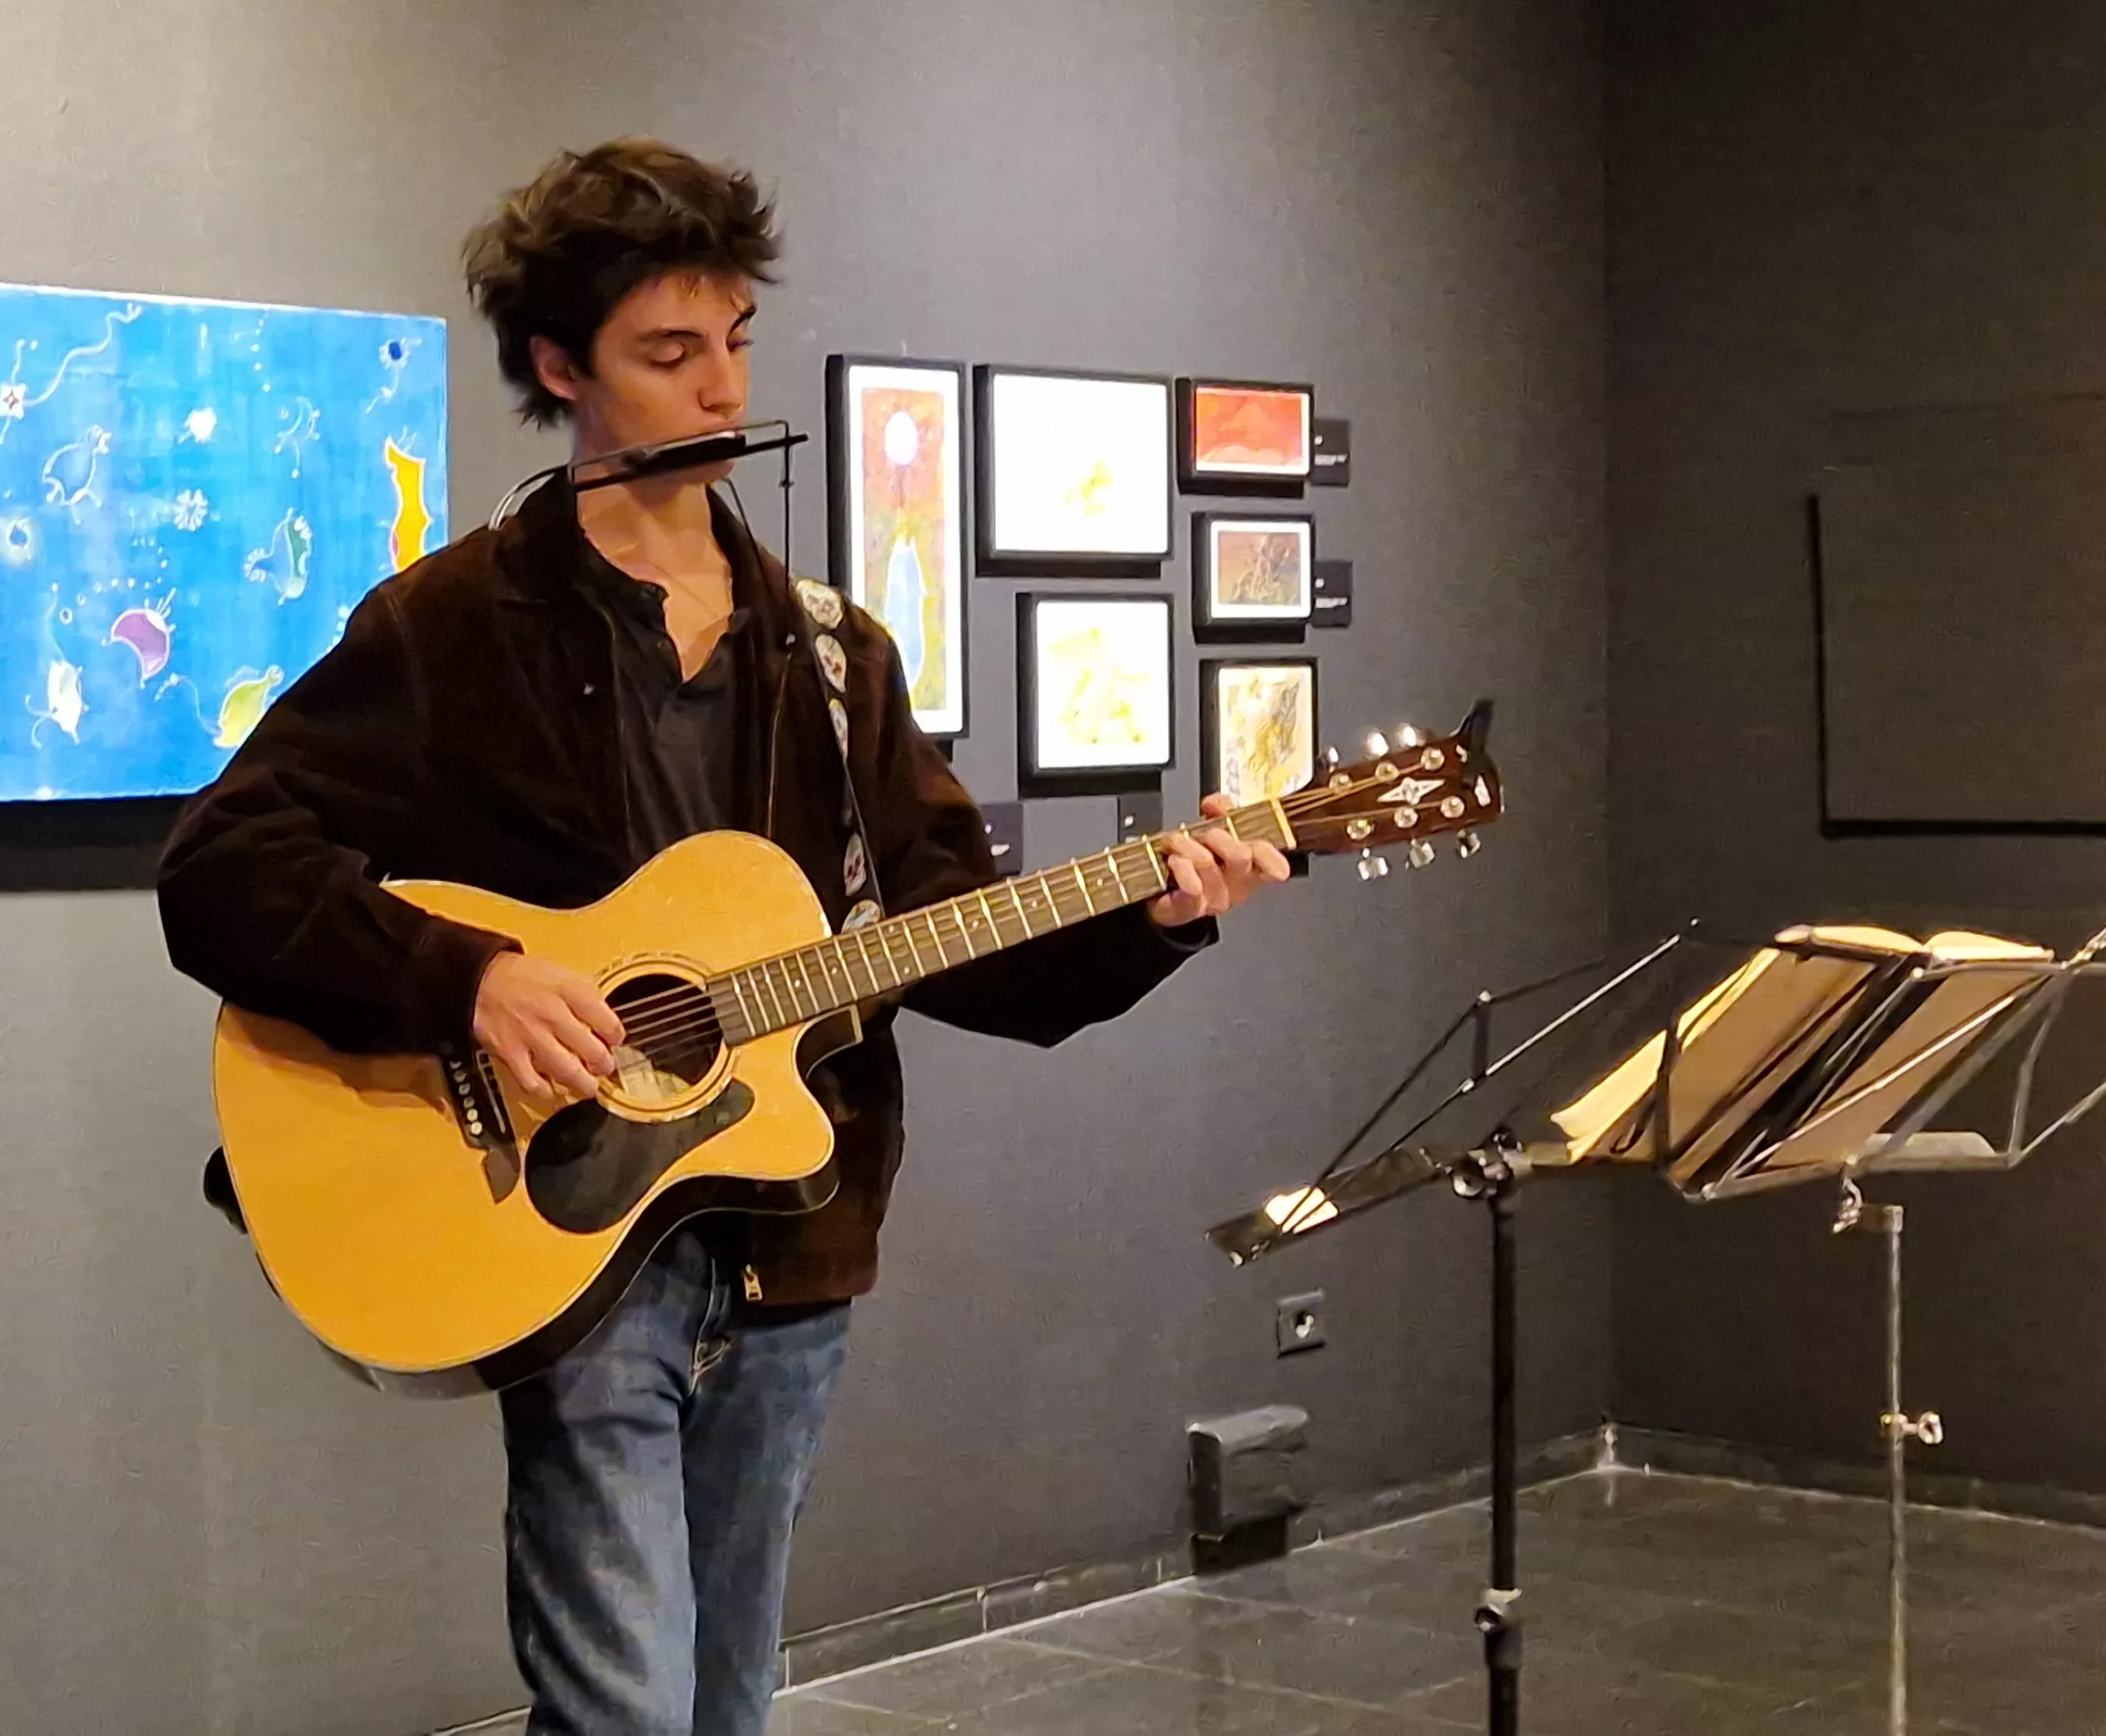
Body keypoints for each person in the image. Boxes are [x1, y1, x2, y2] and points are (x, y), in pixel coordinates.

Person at [156, 137, 1290, 1736]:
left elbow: (961, 942)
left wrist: (1155, 915)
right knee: (621, 1710)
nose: (715, 388)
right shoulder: (451, 625)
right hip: (560, 1222)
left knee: (719, 1702)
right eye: (667, 353)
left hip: (790, 1232)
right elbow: (222, 865)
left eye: (735, 343)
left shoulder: (830, 650)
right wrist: (465, 976)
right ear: (561, 369)